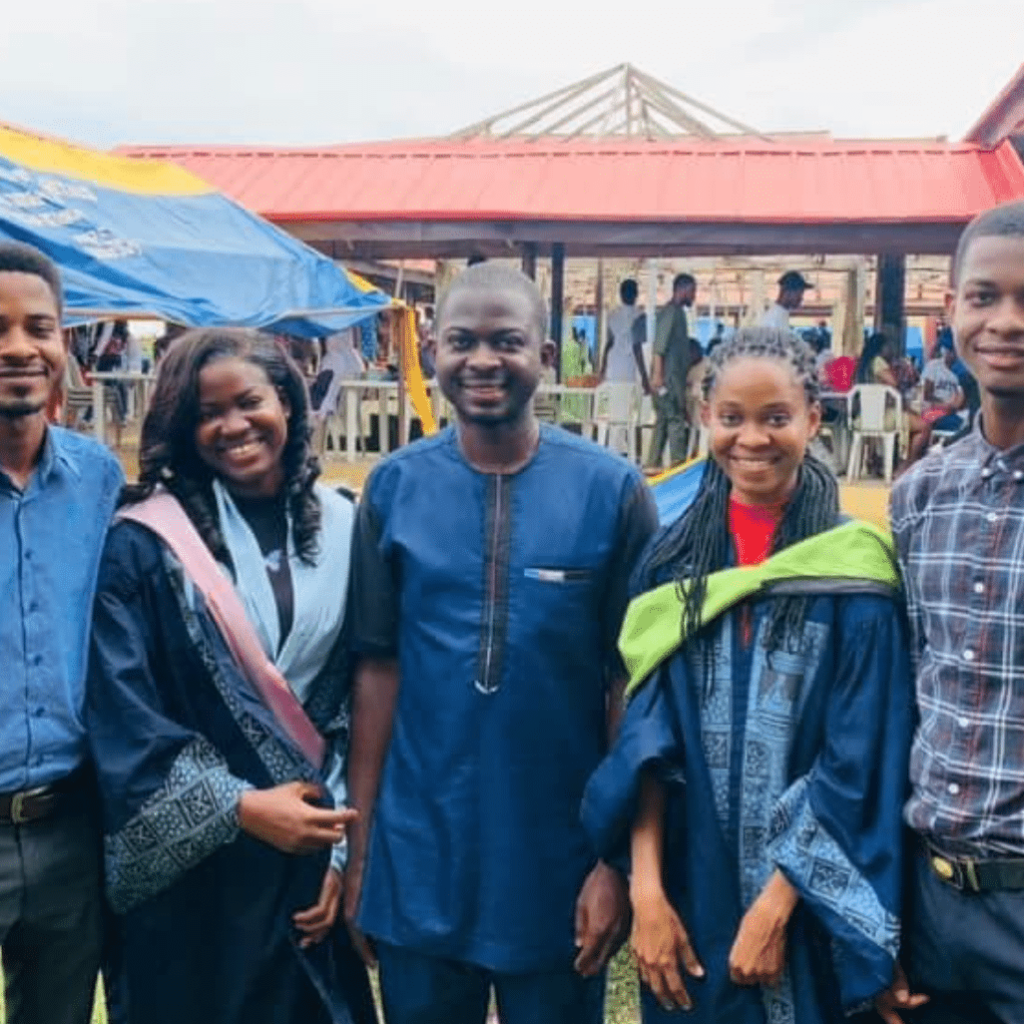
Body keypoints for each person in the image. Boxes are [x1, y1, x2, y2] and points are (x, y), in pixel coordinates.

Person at [344, 262, 659, 1024]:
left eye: (507, 341)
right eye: (461, 341)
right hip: (421, 855)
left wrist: (612, 864)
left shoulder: (612, 492)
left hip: (556, 858)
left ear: (546, 359)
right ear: (434, 353)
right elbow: (376, 673)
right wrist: (360, 858)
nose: (483, 360)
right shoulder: (393, 489)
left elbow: (632, 687)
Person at [583, 327, 914, 1024]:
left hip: (808, 905)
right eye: (732, 418)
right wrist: (645, 891)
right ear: (705, 416)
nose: (752, 439)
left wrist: (777, 905)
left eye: (776, 418)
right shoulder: (673, 568)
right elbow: (646, 740)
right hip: (687, 890)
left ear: (814, 420)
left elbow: (857, 759)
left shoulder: (852, 574)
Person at [85, 329, 376, 1024]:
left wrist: (339, 854)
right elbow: (122, 711)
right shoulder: (142, 545)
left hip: (308, 853)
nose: (231, 426)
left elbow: (358, 699)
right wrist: (242, 809)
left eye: (249, 402)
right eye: (206, 414)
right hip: (196, 881)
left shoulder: (348, 527)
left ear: (289, 403)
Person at [887, 199, 1024, 1024]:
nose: (1008, 322)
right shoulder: (919, 495)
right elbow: (909, 692)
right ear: (950, 312)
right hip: (933, 902)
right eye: (986, 297)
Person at [0, 242, 124, 1024]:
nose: (17, 347)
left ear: (64, 343)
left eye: (37, 326)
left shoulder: (97, 478)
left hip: (68, 823)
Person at [647, 273, 696, 469]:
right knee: (675, 421)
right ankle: (679, 467)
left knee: (662, 422)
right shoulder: (671, 313)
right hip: (668, 379)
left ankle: (652, 464)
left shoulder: (677, 313)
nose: (694, 296)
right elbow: (659, 347)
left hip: (672, 378)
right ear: (682, 290)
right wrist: (658, 376)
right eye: (692, 291)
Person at [601, 278, 646, 389]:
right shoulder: (640, 316)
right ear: (636, 295)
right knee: (627, 402)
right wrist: (644, 377)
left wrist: (603, 369)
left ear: (620, 295)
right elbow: (637, 348)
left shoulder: (612, 315)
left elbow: (609, 344)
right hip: (628, 366)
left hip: (613, 365)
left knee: (614, 402)